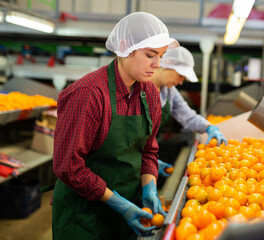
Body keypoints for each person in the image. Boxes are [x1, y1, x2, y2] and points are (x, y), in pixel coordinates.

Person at [52, 12, 179, 240]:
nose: (157, 64)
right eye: (150, 55)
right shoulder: (88, 94)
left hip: (127, 215)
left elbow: (148, 148)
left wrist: (149, 185)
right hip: (84, 218)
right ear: (124, 47)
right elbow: (69, 166)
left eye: (161, 56)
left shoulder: (149, 92)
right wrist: (119, 204)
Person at [150, 46, 228, 177]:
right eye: (180, 76)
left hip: (148, 152)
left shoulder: (169, 91)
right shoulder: (139, 86)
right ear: (167, 65)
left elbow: (188, 116)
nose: (180, 82)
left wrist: (209, 127)